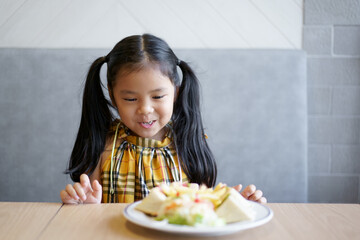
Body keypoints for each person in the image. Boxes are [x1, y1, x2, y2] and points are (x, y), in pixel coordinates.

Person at [60, 34, 267, 204]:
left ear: (175, 93)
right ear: (114, 97)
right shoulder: (103, 145)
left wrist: (233, 204)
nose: (145, 109)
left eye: (158, 96)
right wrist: (84, 203)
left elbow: (203, 205)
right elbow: (87, 211)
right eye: (130, 98)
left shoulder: (187, 142)